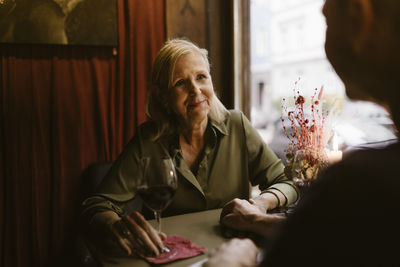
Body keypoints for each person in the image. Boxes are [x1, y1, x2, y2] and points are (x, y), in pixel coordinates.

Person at [205, 0, 400, 266]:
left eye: (327, 20)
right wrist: (256, 220)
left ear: (359, 15)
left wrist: (231, 263)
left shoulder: (360, 184)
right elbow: (336, 235)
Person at [80, 39, 298, 257]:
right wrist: (116, 225)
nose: (195, 90)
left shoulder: (237, 125)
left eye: (201, 77)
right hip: (173, 257)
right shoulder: (148, 141)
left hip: (234, 253)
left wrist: (260, 204)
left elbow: (285, 181)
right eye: (180, 83)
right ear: (163, 97)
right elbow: (97, 205)